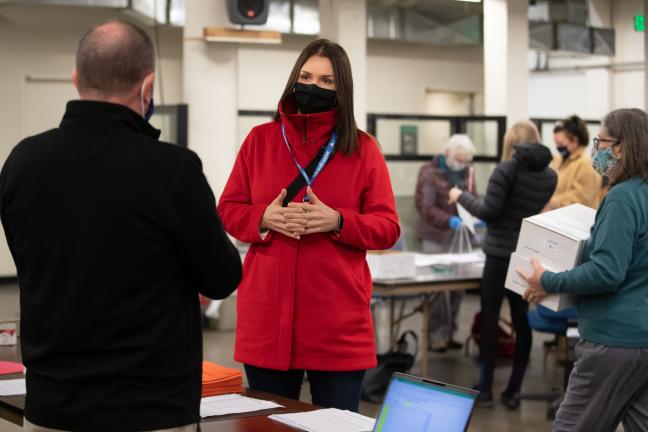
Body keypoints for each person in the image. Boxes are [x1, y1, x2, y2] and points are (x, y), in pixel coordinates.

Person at [0, 21, 242, 432]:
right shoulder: (172, 169)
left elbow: (39, 262)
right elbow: (221, 278)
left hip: (51, 407)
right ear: (148, 87)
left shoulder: (22, 162)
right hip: (150, 410)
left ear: (76, 79)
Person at [218, 39, 400, 412]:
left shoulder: (363, 149)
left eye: (326, 81)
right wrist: (263, 218)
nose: (312, 86)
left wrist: (338, 221)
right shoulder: (260, 141)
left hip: (337, 323)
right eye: (305, 76)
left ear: (341, 89)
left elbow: (387, 227)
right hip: (267, 320)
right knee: (268, 424)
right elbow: (228, 209)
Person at [520, 108, 648, 432]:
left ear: (620, 147)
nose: (597, 150)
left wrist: (547, 280)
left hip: (613, 341)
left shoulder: (622, 198)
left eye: (601, 141)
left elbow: (607, 272)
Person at [448, 121, 557, 409]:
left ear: (511, 144)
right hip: (523, 255)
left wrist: (461, 196)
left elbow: (489, 212)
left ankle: (484, 389)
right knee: (521, 320)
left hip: (498, 256)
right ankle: (514, 390)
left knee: (491, 317)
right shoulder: (550, 176)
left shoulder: (506, 170)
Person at [415, 134, 477, 352]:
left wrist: (474, 217)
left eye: (465, 161)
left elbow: (473, 198)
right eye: (459, 160)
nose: (462, 165)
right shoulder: (430, 173)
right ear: (448, 154)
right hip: (436, 237)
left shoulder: (468, 173)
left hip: (461, 237)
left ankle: (450, 332)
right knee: (438, 290)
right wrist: (448, 220)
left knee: (458, 289)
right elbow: (424, 206)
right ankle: (436, 335)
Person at [544, 115, 601, 211]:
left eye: (561, 144)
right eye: (556, 143)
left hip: (574, 221)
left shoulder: (586, 164)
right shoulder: (558, 160)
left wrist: (549, 202)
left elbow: (580, 199)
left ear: (575, 140)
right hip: (556, 217)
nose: (557, 147)